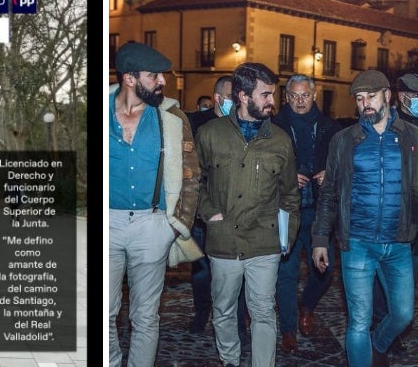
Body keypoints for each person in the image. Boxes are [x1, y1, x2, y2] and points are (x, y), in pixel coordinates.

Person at [195, 62, 300, 367]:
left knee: (264, 311)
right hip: (223, 239)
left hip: (264, 241)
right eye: (265, 94)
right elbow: (193, 180)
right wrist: (208, 212)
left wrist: (287, 234)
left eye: (273, 94)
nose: (272, 101)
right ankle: (229, 360)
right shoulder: (210, 134)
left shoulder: (280, 139)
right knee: (224, 309)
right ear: (242, 96)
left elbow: (290, 195)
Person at [312, 70, 417, 367]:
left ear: (387, 95)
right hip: (356, 242)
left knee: (403, 314)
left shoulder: (412, 137)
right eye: (359, 99)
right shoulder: (344, 140)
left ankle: (378, 345)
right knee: (358, 320)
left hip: (398, 243)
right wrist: (320, 239)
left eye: (370, 96)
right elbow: (329, 193)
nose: (365, 104)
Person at [109, 42, 200, 367]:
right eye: (153, 75)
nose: (162, 81)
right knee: (104, 314)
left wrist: (177, 224)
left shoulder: (172, 117)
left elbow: (192, 174)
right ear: (130, 78)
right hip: (108, 224)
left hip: (152, 225)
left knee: (146, 316)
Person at [272, 74, 341, 354]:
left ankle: (307, 305)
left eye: (305, 95)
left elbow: (344, 167)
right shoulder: (273, 127)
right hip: (287, 211)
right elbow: (262, 171)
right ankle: (289, 328)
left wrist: (331, 173)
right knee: (285, 273)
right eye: (294, 96)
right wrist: (287, 177)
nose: (300, 101)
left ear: (313, 95)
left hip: (319, 212)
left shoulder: (331, 128)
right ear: (286, 97)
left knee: (325, 271)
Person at [186, 76, 249, 345]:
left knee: (238, 270)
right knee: (201, 270)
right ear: (217, 99)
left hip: (233, 209)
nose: (234, 103)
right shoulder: (195, 124)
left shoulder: (242, 125)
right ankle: (202, 312)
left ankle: (239, 323)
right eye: (230, 98)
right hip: (202, 210)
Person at [371, 72, 418, 357]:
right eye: (414, 98)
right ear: (400, 97)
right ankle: (384, 334)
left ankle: (395, 327)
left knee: (409, 279)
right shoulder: (389, 125)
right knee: (388, 278)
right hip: (394, 217)